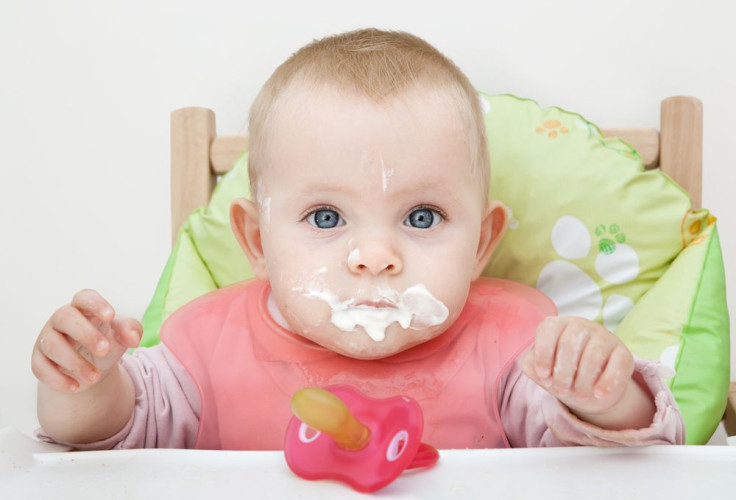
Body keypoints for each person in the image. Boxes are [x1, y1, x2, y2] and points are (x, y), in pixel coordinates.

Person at [31, 29, 684, 450]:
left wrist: (602, 397)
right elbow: (112, 437)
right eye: (325, 218)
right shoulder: (207, 349)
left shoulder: (515, 346)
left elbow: (616, 462)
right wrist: (85, 388)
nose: (375, 256)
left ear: (483, 244)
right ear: (256, 242)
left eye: (422, 217)